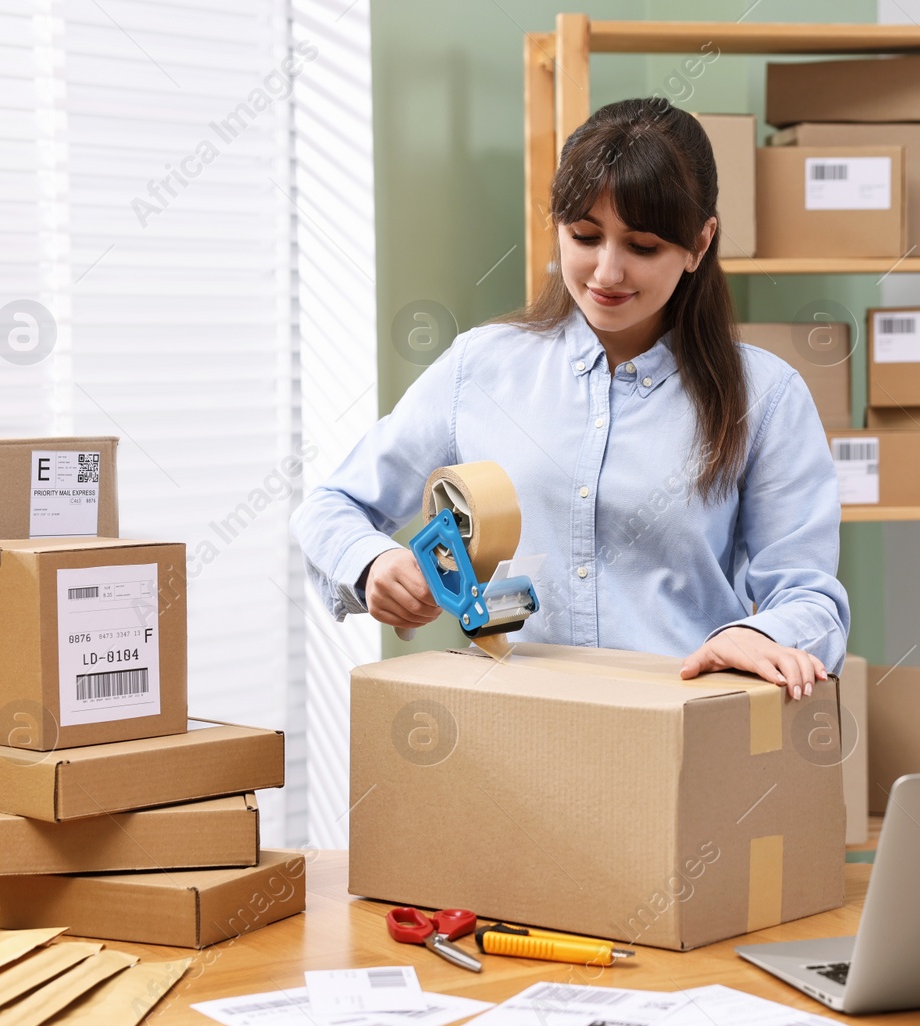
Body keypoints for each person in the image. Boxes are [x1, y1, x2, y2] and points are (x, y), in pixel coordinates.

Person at [292, 97, 849, 698]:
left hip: (682, 728)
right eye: (585, 236)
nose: (607, 273)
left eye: (642, 247)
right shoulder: (481, 368)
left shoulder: (765, 397)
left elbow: (809, 597)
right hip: (511, 734)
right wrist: (372, 563)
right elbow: (331, 505)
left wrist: (760, 633)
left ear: (699, 243)